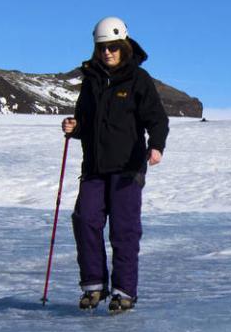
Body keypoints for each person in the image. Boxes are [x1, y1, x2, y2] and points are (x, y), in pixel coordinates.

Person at [61, 16, 169, 313]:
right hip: (94, 167)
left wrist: (156, 146)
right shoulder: (91, 81)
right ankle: (93, 286)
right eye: (102, 48)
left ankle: (124, 291)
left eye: (112, 47)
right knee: (85, 220)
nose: (107, 52)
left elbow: (157, 119)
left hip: (127, 168)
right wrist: (73, 127)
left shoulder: (138, 80)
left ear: (123, 46)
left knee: (123, 230)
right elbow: (85, 122)